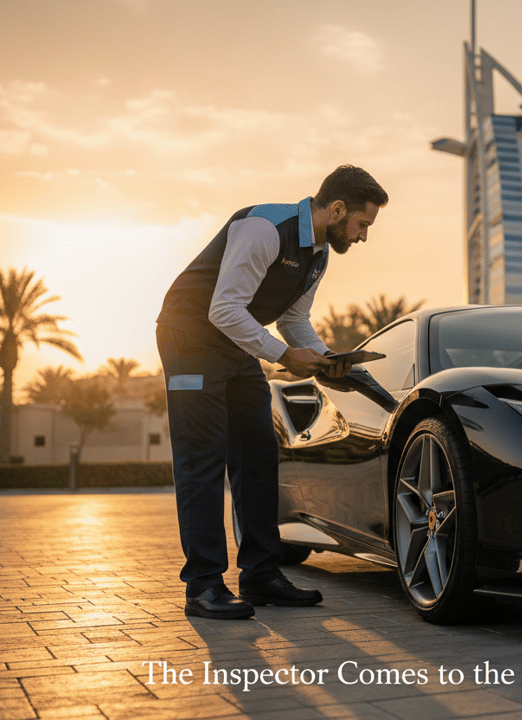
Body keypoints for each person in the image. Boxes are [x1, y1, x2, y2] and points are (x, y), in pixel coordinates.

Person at [155, 165, 388, 619]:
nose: (362, 237)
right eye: (362, 224)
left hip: (236, 340)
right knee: (202, 456)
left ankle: (260, 574)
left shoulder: (319, 254)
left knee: (259, 452)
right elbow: (224, 307)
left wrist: (325, 358)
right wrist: (283, 357)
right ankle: (202, 587)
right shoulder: (264, 228)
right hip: (190, 335)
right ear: (337, 209)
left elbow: (294, 321)